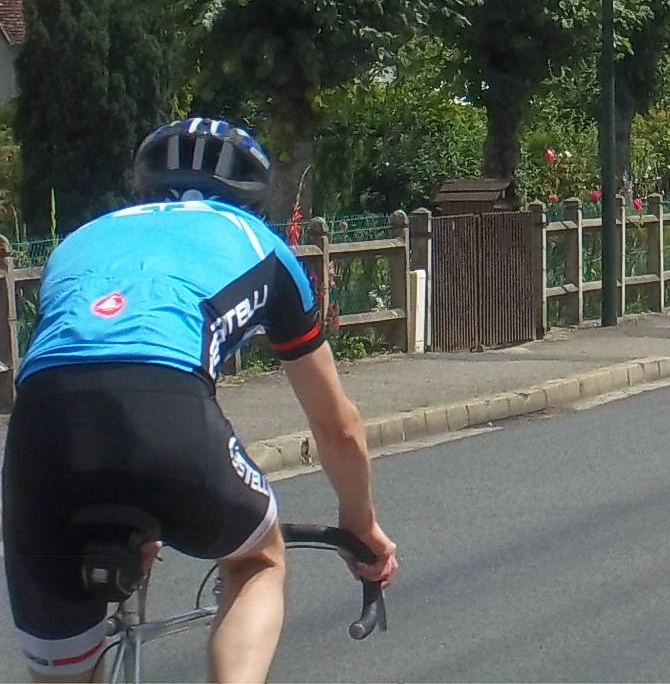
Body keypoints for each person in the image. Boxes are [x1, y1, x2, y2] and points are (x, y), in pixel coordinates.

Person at [3, 119, 398, 684]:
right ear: (253, 200)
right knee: (258, 558)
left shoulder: (81, 239)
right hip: (167, 410)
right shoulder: (260, 243)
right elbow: (338, 428)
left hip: (41, 434)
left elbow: (82, 373)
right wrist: (361, 528)